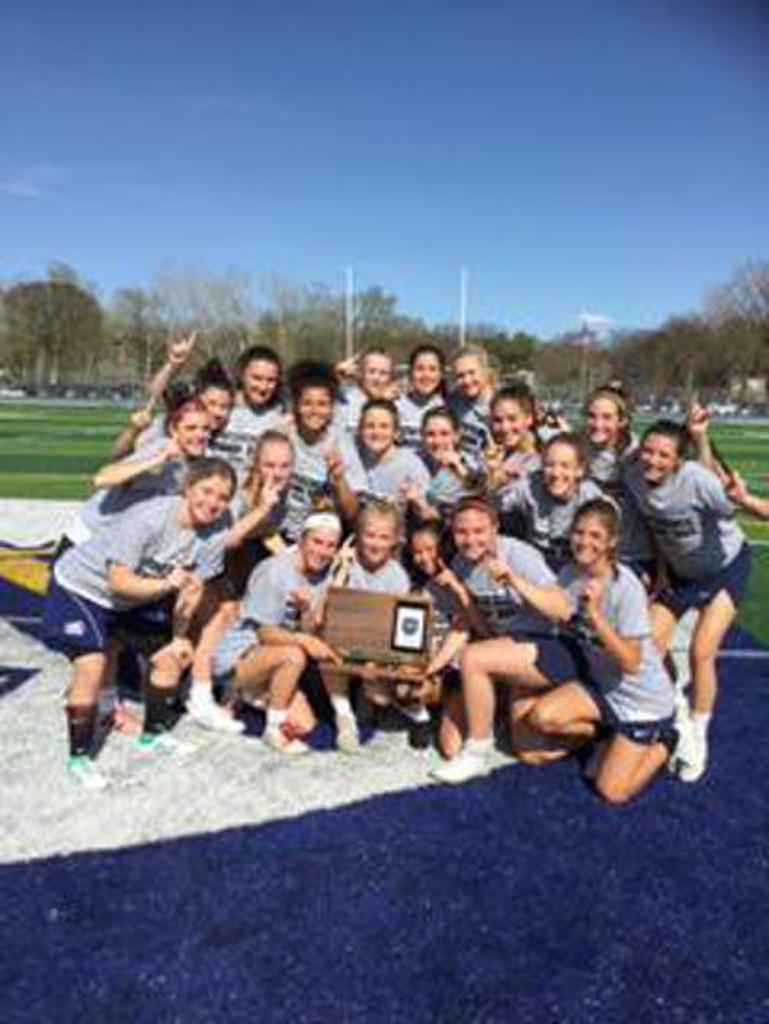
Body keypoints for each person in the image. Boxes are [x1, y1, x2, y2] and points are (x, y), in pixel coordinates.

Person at [42, 458, 238, 790]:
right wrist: (167, 586)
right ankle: (79, 758)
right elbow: (118, 581)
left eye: (223, 497)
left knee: (169, 658)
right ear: (188, 488)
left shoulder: (217, 530)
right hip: (82, 587)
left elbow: (191, 592)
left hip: (136, 596)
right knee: (92, 663)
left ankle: (153, 735)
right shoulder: (150, 518)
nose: (213, 503)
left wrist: (178, 637)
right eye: (206, 491)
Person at [517, 499, 677, 805]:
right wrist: (511, 578)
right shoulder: (570, 573)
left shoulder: (625, 586)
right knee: (541, 718)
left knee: (610, 791)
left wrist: (596, 618)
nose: (584, 542)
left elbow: (631, 663)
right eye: (579, 532)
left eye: (595, 536)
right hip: (603, 688)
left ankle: (667, 742)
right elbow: (555, 607)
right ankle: (608, 734)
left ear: (611, 542)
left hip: (643, 701)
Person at [623, 421, 754, 782]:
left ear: (680, 461)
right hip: (679, 574)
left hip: (724, 567)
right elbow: (653, 525)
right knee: (647, 644)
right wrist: (663, 570)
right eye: (648, 450)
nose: (652, 459)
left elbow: (741, 505)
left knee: (701, 651)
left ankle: (697, 732)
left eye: (664, 454)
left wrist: (743, 498)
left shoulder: (697, 479)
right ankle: (678, 709)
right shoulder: (633, 477)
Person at [430, 496, 568, 783]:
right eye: (462, 532)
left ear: (495, 527)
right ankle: (501, 709)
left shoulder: (519, 555)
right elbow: (475, 625)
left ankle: (477, 751)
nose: (470, 539)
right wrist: (434, 665)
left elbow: (561, 611)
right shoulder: (461, 563)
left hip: (546, 646)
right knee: (454, 746)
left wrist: (514, 580)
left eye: (479, 531)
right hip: (505, 651)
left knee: (473, 657)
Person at [212, 512, 344, 753]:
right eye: (316, 542)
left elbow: (306, 627)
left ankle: (251, 695)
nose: (323, 551)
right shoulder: (274, 572)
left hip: (276, 654)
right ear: (302, 540)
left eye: (330, 545)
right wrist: (305, 640)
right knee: (295, 655)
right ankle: (270, 726)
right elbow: (264, 634)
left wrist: (305, 612)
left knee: (305, 725)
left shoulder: (325, 575)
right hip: (241, 656)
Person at [321, 501, 414, 753]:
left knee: (379, 696)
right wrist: (341, 571)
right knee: (329, 644)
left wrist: (375, 663)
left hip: (375, 645)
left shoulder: (397, 576)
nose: (375, 543)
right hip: (341, 639)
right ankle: (344, 716)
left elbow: (395, 628)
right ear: (358, 536)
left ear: (395, 541)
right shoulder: (344, 565)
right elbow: (330, 611)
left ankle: (368, 700)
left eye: (384, 537)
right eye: (370, 535)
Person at [65, 399, 210, 547]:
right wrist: (157, 460)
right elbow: (102, 478)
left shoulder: (196, 462)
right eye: (191, 428)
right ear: (174, 430)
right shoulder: (160, 450)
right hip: (89, 535)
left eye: (205, 429)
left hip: (120, 542)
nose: (200, 435)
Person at [495, 433, 602, 570]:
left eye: (565, 466)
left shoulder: (590, 496)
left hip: (575, 561)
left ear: (579, 470)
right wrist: (495, 479)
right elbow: (497, 504)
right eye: (549, 465)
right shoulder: (531, 485)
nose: (556, 474)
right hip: (537, 558)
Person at [281, 360, 362, 542]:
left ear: (332, 408)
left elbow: (353, 513)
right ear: (296, 406)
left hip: (323, 540)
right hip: (281, 535)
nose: (315, 411)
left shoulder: (342, 444)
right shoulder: (283, 435)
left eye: (322, 404)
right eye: (307, 403)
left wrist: (339, 480)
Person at [213, 345, 286, 480]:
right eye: (256, 378)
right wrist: (172, 366)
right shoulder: (218, 408)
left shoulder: (280, 422)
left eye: (271, 380)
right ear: (242, 375)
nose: (263, 387)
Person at [352, 399, 430, 510]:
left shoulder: (411, 465)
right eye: (369, 426)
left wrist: (417, 501)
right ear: (360, 430)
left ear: (396, 432)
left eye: (384, 426)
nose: (376, 432)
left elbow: (428, 513)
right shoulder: (353, 460)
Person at [485, 383, 541, 490]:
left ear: (529, 418)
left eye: (512, 419)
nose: (504, 428)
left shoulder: (536, 465)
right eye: (498, 420)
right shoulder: (489, 456)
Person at [447, 345, 496, 469]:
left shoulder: (500, 405)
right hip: (459, 474)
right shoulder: (452, 401)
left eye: (472, 373)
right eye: (460, 376)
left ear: (485, 371)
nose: (467, 381)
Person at [335, 347, 398, 434]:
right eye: (371, 372)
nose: (376, 378)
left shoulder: (397, 404)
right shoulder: (344, 399)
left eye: (383, 373)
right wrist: (335, 373)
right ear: (361, 373)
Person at [396, 344, 447, 449]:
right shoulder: (394, 404)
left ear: (441, 374)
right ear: (410, 372)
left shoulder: (448, 407)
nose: (426, 375)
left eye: (432, 369)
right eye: (419, 369)